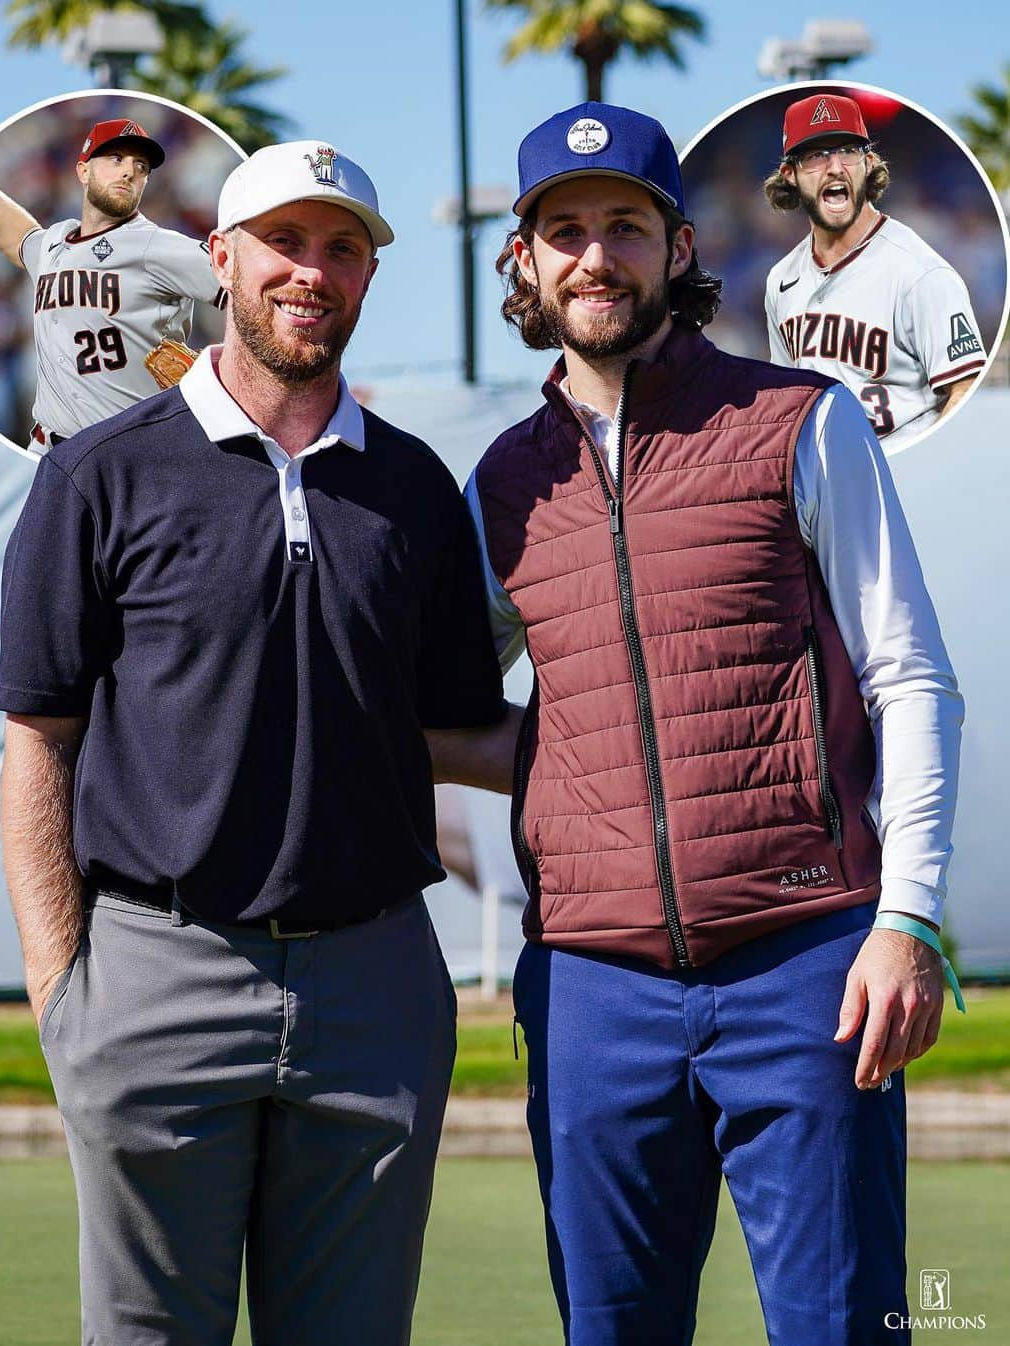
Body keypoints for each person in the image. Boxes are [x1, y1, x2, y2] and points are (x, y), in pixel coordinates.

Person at [428, 102, 965, 1345]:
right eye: (563, 230)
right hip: (587, 993)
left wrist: (907, 917)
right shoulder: (504, 484)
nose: (594, 254)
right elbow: (431, 704)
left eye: (626, 223)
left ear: (677, 247)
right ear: (524, 260)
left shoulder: (800, 418)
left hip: (806, 969)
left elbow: (911, 677)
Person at [0, 138, 506, 1346]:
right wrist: (62, 990)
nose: (311, 272)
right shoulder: (96, 476)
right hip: (154, 978)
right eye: (284, 242)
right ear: (219, 257)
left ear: (372, 276)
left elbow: (455, 730)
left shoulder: (420, 490)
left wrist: (674, 765)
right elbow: (40, 745)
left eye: (343, 248)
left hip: (377, 989)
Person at [0, 117, 225, 453]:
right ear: (83, 172)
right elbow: (18, 240)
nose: (129, 171)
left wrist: (223, 372)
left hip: (129, 451)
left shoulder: (158, 246)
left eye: (140, 165)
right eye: (116, 159)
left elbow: (248, 289)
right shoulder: (55, 240)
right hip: (47, 449)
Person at [763, 92, 986, 450]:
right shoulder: (781, 279)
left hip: (900, 463)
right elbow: (787, 398)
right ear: (790, 174)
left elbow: (966, 390)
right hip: (824, 479)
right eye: (816, 155)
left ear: (868, 164)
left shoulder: (919, 272)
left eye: (848, 151)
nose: (835, 167)